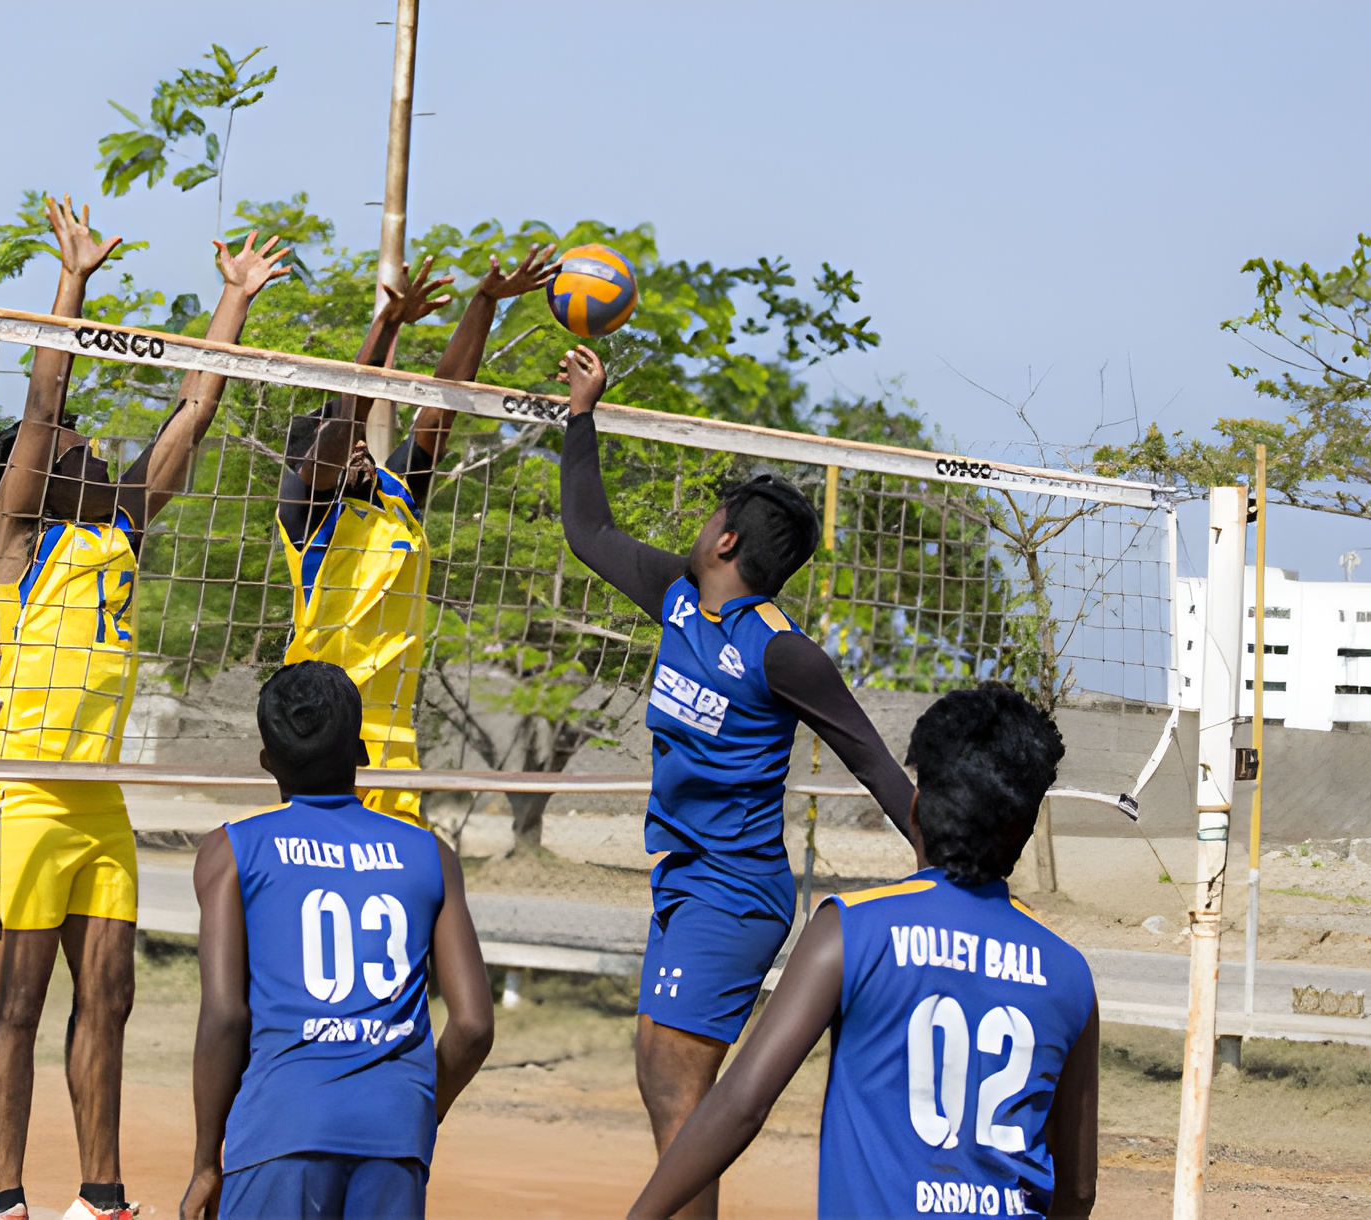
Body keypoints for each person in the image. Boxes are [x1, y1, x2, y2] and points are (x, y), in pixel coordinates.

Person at [0, 194, 291, 1220]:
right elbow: (42, 403)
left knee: (110, 995)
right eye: (74, 450)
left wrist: (234, 299)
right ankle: (8, 1200)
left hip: (97, 796)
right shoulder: (21, 540)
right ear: (34, 477)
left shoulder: (124, 530)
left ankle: (101, 1198)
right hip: (24, 792)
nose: (92, 450)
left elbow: (194, 409)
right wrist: (72, 280)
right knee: (17, 1005)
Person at [554, 345, 921, 1220]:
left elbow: (872, 759)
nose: (703, 522)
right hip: (686, 878)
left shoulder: (782, 651)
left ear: (725, 540)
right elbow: (588, 533)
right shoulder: (679, 597)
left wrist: (956, 864)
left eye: (713, 514)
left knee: (678, 1089)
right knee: (662, 1079)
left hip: (736, 889)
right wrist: (581, 415)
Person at [628, 683, 1099, 1220]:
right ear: (1025, 831)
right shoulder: (1068, 972)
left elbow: (742, 1105)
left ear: (915, 810)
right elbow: (1079, 1189)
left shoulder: (852, 929)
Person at [178, 660, 495, 1219]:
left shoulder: (231, 851)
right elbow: (472, 1026)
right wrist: (420, 1110)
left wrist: (207, 1161)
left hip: (281, 1126)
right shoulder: (430, 854)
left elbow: (226, 1015)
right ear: (362, 753)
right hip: (394, 1134)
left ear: (267, 760)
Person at [277, 246, 560, 824]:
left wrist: (484, 301)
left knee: (401, 869)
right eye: (342, 444)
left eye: (361, 444)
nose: (357, 447)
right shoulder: (306, 513)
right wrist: (387, 325)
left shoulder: (396, 494)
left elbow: (443, 399)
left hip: (393, 732)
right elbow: (349, 415)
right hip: (321, 724)